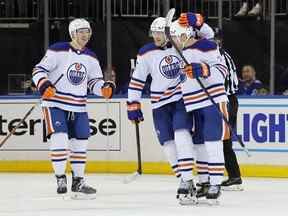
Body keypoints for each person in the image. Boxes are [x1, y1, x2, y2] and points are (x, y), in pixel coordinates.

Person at [31, 18, 115, 199]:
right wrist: (44, 85)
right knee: (60, 138)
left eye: (88, 31)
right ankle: (61, 178)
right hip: (55, 104)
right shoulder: (57, 49)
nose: (85, 35)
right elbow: (38, 70)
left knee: (81, 143)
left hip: (78, 106)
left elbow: (94, 82)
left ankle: (78, 181)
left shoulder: (91, 56)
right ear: (73, 33)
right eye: (81, 31)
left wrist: (104, 89)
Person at [127, 16, 196, 205]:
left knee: (181, 133)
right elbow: (137, 80)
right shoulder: (145, 52)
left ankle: (188, 178)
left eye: (160, 32)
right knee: (166, 142)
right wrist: (133, 103)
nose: (156, 36)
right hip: (159, 103)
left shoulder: (180, 45)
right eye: (154, 32)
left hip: (181, 98)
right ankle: (183, 178)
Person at [170, 19, 229, 204]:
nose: (172, 39)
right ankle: (203, 182)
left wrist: (203, 70)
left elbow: (222, 71)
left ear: (184, 34)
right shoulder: (178, 52)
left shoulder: (207, 46)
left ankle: (216, 183)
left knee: (212, 140)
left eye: (174, 35)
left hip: (213, 99)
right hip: (192, 103)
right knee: (200, 144)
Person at [214, 28, 244, 191]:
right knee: (219, 140)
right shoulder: (217, 54)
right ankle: (230, 175)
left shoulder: (219, 56)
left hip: (226, 101)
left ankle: (234, 176)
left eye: (215, 39)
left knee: (224, 141)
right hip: (225, 100)